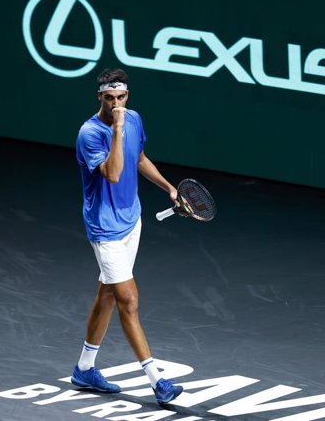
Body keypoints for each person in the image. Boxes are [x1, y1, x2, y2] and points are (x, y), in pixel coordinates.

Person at [72, 68, 184, 405]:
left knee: (107, 294)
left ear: (127, 96)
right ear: (100, 98)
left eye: (121, 98)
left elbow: (138, 159)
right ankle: (157, 380)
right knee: (129, 300)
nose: (116, 104)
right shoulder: (89, 133)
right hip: (105, 229)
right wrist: (117, 129)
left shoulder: (134, 119)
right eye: (109, 98)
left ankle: (84, 368)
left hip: (131, 222)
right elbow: (115, 171)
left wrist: (168, 187)